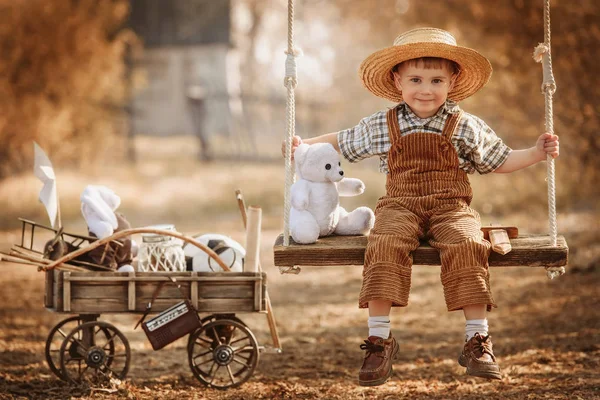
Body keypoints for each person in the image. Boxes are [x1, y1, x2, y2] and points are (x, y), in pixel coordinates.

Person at [282, 27, 560, 386]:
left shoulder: (465, 126)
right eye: (415, 79)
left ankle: (477, 339)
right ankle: (379, 341)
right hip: (400, 204)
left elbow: (500, 159)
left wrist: (537, 154)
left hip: (451, 206)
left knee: (469, 244)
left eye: (436, 80)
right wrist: (303, 147)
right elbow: (342, 140)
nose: (425, 89)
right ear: (397, 80)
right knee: (383, 242)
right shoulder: (384, 123)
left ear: (452, 80)